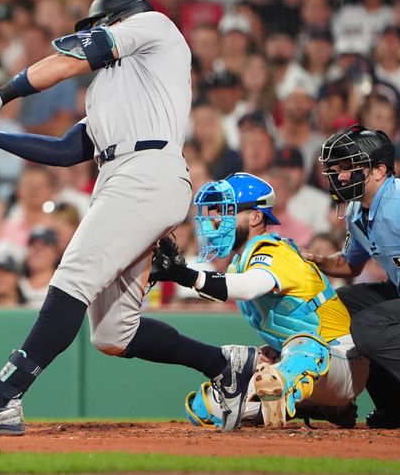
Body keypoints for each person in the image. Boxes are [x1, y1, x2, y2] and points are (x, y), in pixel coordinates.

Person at [0, 0, 256, 435]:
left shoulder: (155, 26)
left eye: (95, 27)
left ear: (117, 20)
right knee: (112, 334)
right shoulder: (112, 88)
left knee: (71, 281)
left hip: (146, 172)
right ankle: (224, 363)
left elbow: (75, 55)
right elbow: (68, 150)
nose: (90, 35)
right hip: (122, 177)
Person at [151, 173, 368, 429]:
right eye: (217, 211)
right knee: (207, 407)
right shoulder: (237, 266)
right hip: (304, 364)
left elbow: (251, 286)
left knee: (303, 345)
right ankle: (320, 406)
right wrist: (177, 275)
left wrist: (186, 275)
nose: (218, 220)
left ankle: (318, 397)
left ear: (255, 216)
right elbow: (228, 285)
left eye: (228, 211)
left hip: (340, 359)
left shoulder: (274, 249)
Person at [303, 125, 400, 428]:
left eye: (349, 167)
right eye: (337, 168)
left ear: (379, 171)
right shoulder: (358, 211)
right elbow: (349, 265)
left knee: (371, 323)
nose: (340, 175)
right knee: (339, 304)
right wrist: (308, 260)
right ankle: (398, 406)